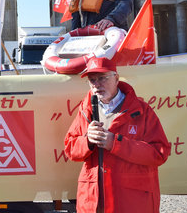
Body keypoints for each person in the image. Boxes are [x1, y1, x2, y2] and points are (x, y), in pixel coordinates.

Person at [64, 57, 170, 213]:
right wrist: (87, 141)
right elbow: (70, 148)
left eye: (102, 78)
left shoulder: (141, 110)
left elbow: (159, 153)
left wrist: (115, 143)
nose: (96, 84)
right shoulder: (86, 109)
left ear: (116, 78)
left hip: (131, 202)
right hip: (94, 202)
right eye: (92, 80)